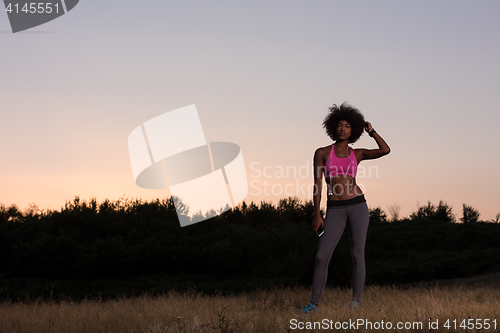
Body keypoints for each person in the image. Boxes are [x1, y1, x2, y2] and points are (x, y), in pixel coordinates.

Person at [300, 102, 390, 314]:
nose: (342, 128)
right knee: (322, 255)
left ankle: (355, 303)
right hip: (335, 209)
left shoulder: (357, 154)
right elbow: (317, 185)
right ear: (333, 127)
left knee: (357, 254)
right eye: (339, 124)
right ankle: (314, 305)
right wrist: (316, 213)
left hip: (358, 205)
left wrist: (372, 131)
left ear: (354, 130)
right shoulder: (322, 152)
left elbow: (385, 150)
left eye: (347, 125)